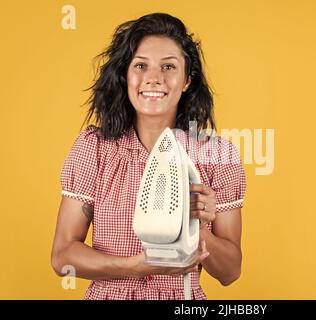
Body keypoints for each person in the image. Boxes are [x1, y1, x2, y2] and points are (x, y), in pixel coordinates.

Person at [51, 12, 246, 300]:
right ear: (126, 76)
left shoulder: (218, 155)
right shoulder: (93, 149)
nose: (154, 78)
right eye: (140, 65)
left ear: (187, 81)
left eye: (169, 66)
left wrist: (194, 230)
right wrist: (134, 267)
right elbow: (62, 256)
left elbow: (230, 272)